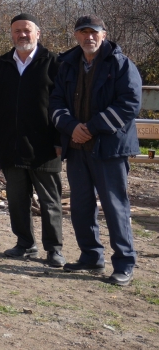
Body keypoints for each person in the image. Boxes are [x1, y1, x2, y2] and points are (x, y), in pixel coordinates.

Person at [49, 15, 142, 286]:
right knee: (81, 206)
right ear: (76, 36)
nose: (88, 37)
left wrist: (91, 127)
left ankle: (124, 264)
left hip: (109, 148)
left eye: (94, 32)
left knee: (115, 207)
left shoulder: (121, 64)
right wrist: (71, 127)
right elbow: (55, 101)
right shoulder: (67, 65)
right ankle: (91, 256)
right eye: (83, 32)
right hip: (77, 147)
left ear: (104, 34)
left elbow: (130, 103)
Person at [0, 14, 64, 267]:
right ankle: (25, 244)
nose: (22, 35)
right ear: (11, 34)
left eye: (27, 30)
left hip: (46, 147)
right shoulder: (0, 66)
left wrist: (61, 139)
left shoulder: (55, 64)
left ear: (38, 33)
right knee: (17, 200)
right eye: (17, 31)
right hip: (11, 145)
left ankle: (54, 250)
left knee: (50, 202)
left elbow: (64, 105)